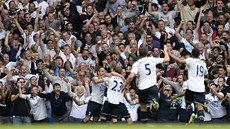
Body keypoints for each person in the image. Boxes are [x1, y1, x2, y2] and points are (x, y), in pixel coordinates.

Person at [124, 45, 170, 122]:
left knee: (143, 107)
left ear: (139, 53)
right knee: (153, 98)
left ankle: (144, 121)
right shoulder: (152, 59)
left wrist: (125, 85)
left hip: (142, 88)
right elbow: (167, 59)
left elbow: (131, 76)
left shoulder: (137, 63)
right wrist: (165, 50)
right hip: (152, 86)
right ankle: (152, 103)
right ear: (147, 53)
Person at [168, 48, 208, 123]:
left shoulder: (191, 60)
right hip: (201, 88)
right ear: (199, 55)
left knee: (188, 101)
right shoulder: (203, 63)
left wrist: (170, 54)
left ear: (192, 54)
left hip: (192, 87)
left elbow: (180, 61)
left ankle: (189, 108)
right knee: (200, 107)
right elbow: (206, 74)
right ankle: (201, 117)